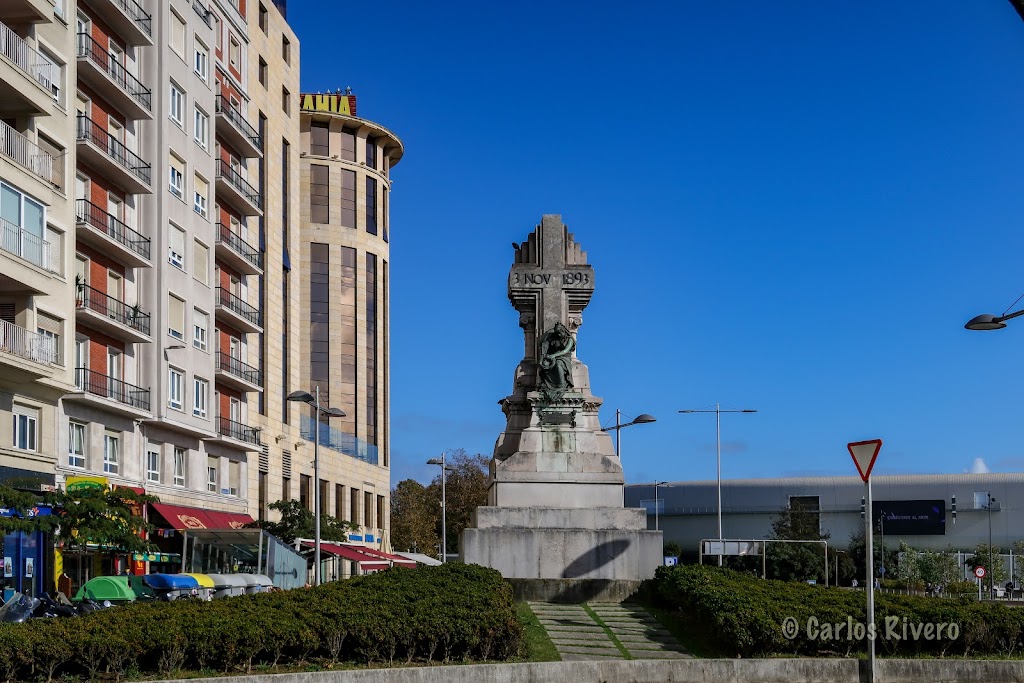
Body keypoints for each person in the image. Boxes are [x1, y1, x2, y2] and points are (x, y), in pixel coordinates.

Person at [538, 322, 574, 396]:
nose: (559, 334)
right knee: (545, 364)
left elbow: (565, 351)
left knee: (558, 363)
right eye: (557, 333)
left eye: (560, 332)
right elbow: (542, 342)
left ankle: (561, 385)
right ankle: (549, 385)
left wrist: (553, 355)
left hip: (564, 358)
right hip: (553, 357)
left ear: (564, 331)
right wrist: (548, 332)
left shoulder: (569, 339)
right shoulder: (554, 340)